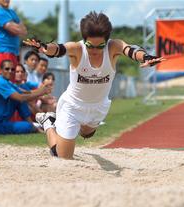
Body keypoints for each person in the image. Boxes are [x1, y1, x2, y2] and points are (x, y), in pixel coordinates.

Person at [24, 11, 164, 159]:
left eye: (100, 46)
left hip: (98, 106)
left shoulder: (113, 47)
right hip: (72, 106)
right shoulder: (77, 49)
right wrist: (44, 47)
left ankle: (66, 126)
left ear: (107, 41)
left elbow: (131, 50)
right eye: (90, 46)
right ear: (84, 41)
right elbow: (58, 49)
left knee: (87, 134)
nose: (95, 50)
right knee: (63, 156)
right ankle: (48, 123)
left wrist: (146, 57)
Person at [0, 59, 51, 135]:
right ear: (0, 70)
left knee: (46, 105)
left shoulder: (7, 82)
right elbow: (21, 97)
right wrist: (42, 92)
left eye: (13, 69)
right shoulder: (0, 82)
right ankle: (36, 126)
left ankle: (37, 125)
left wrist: (42, 91)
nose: (10, 71)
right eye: (7, 69)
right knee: (21, 103)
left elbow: (24, 92)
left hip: (0, 119)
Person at [0, 0, 27, 77]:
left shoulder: (11, 12)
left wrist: (15, 29)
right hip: (2, 51)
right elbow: (16, 30)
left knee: (11, 80)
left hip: (13, 52)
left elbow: (24, 31)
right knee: (2, 80)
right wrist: (16, 28)